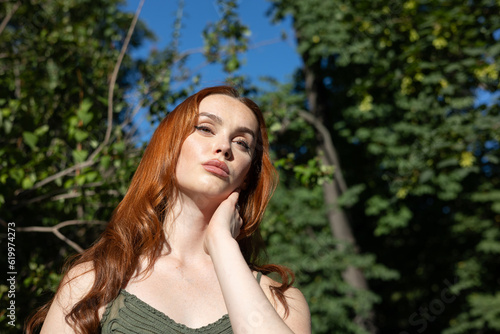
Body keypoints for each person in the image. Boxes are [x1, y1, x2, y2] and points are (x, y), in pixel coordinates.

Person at [25, 86, 311, 334]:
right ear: (170, 146)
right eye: (205, 128)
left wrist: (222, 244)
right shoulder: (93, 281)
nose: (224, 147)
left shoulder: (281, 301)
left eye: (242, 143)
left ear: (247, 175)